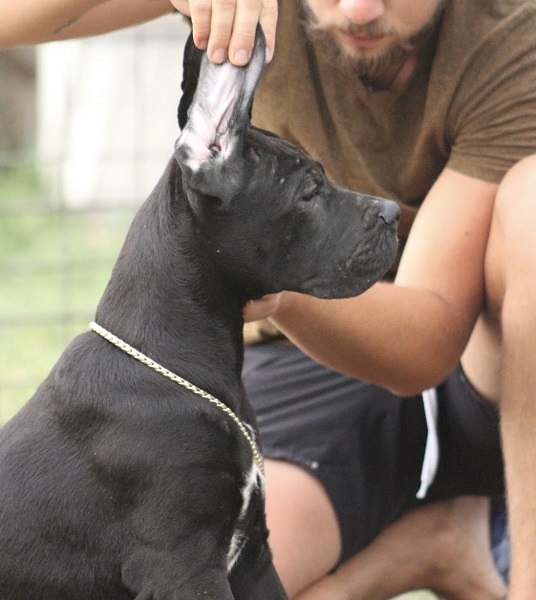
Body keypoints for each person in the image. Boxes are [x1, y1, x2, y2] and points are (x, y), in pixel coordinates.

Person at [3, 0, 536, 598]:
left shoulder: (511, 34)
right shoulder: (249, 11)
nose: (360, 8)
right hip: (284, 367)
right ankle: (430, 548)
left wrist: (265, 276)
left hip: (475, 364)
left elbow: (421, 345)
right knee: (202, 551)